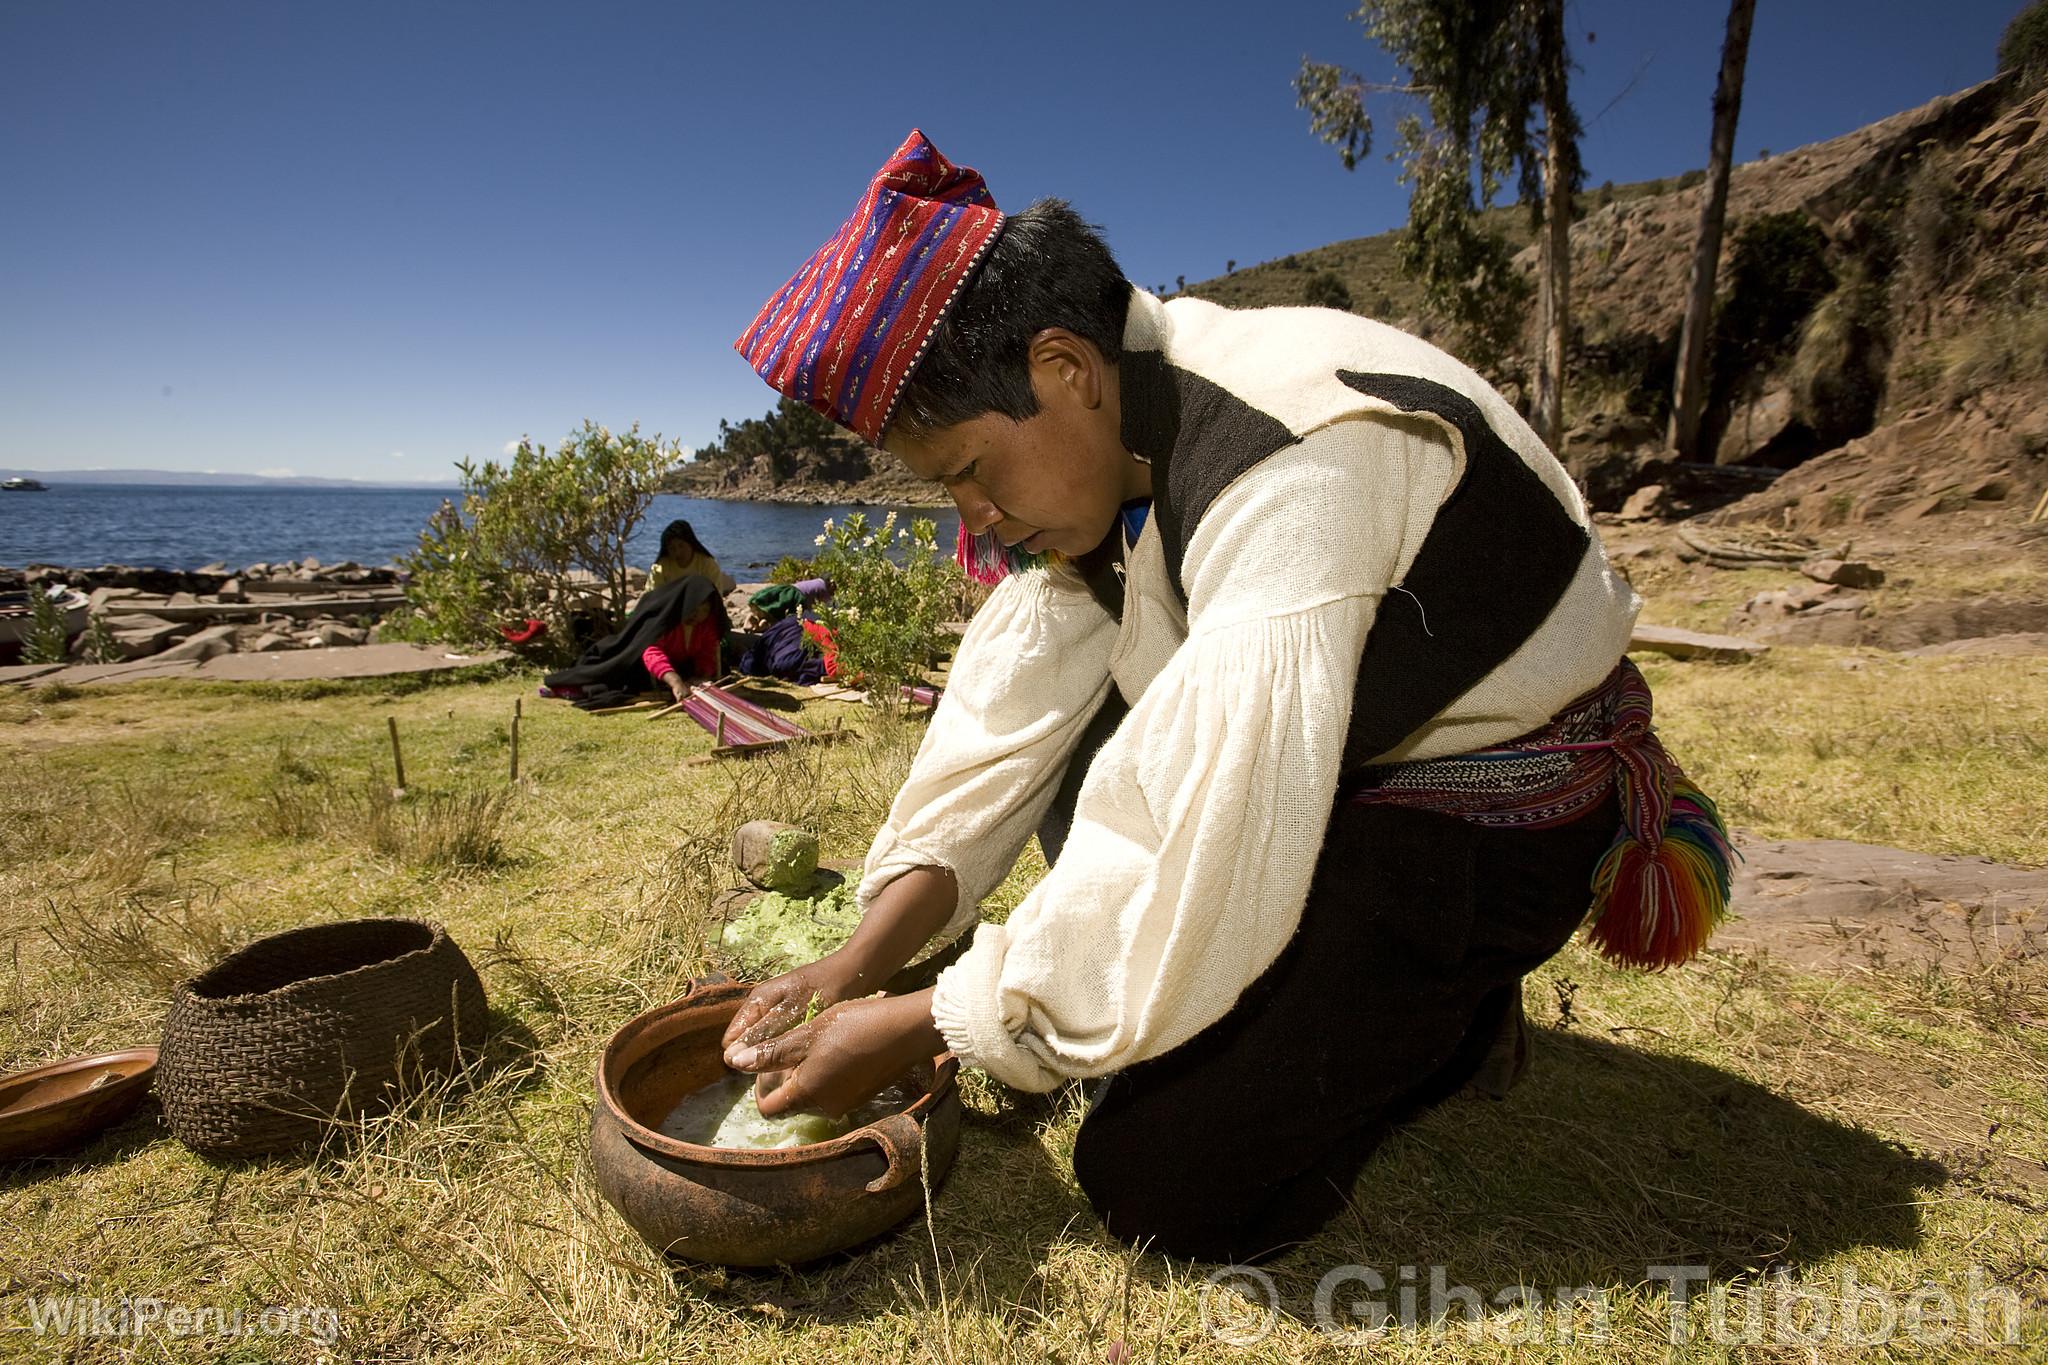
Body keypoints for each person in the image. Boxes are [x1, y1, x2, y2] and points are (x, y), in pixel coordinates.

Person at [713, 130, 1733, 1264]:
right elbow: (1004, 730)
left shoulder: (1291, 460)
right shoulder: (1114, 446)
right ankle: (1327, 1006)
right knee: (1097, 846)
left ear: (1064, 370)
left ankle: (1448, 1012)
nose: (973, 519)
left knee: (1161, 1181)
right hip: (1338, 774)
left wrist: (938, 1019)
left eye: (964, 471)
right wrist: (856, 961)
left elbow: (1221, 810)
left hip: (1483, 821)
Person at [645, 519, 737, 596]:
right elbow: (652, 598)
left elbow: (715, 597)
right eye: (672, 548)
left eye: (681, 546)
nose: (678, 552)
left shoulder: (708, 565)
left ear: (691, 544)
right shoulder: (660, 568)